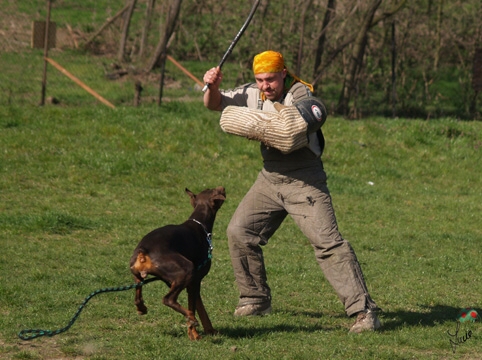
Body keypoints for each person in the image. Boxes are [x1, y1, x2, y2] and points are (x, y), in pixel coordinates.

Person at [202, 50, 381, 333]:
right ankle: (255, 299)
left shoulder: (301, 95)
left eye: (271, 79)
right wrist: (211, 87)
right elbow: (214, 104)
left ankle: (365, 312)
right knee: (239, 232)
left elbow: (294, 129)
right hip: (270, 178)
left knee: (328, 244)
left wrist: (256, 124)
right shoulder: (253, 92)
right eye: (260, 80)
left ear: (284, 73)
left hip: (304, 180)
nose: (265, 86)